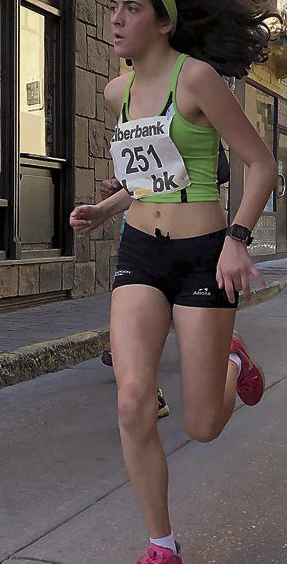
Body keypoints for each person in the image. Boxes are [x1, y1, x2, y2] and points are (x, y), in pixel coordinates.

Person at [69, 0, 277, 564]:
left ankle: (234, 361)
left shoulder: (199, 80)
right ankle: (161, 542)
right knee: (132, 399)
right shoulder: (118, 92)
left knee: (204, 425)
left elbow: (262, 166)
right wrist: (108, 209)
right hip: (140, 251)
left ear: (163, 22)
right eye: (113, 6)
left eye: (130, 8)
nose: (115, 18)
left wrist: (238, 238)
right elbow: (150, 178)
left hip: (202, 257)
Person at [97, 177, 171, 419]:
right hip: (134, 237)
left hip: (174, 234)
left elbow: (220, 171)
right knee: (133, 318)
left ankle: (231, 355)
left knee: (203, 424)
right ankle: (150, 391)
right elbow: (140, 180)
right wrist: (119, 190)